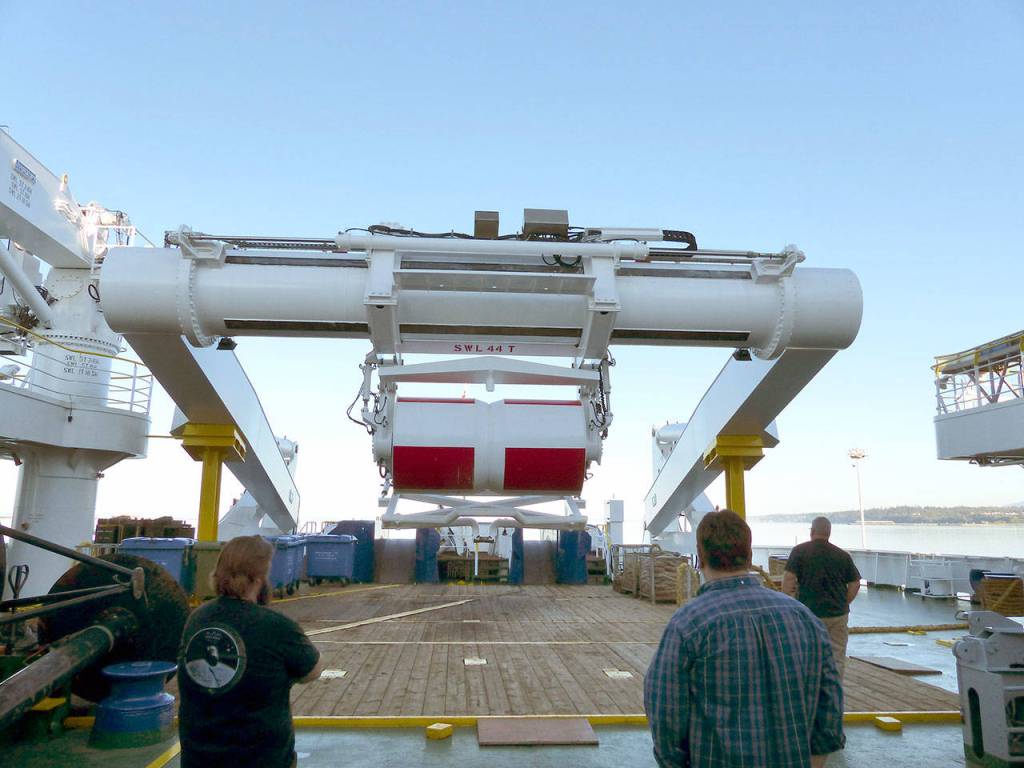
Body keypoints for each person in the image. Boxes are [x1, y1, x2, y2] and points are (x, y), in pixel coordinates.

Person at [644, 510, 844, 768]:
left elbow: (664, 711)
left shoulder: (688, 625)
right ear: (749, 556)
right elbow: (830, 706)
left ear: (700, 557)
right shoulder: (806, 620)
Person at [177, 535, 323, 768]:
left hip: (198, 759)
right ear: (258, 578)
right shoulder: (277, 626)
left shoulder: (197, 619)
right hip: (261, 759)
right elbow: (312, 671)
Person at [783, 516, 861, 679]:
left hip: (807, 613)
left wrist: (790, 604)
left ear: (812, 531)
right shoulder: (842, 555)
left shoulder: (799, 551)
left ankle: (810, 691)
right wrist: (844, 602)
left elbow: (789, 580)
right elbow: (855, 584)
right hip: (837, 615)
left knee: (807, 654)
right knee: (837, 656)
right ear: (829, 533)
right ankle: (834, 693)